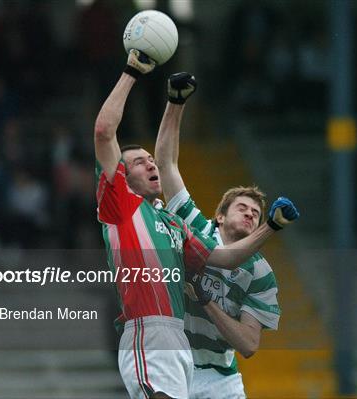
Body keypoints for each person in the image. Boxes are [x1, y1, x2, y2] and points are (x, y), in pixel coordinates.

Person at [94, 49, 299, 399]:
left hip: (192, 353)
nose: (150, 162)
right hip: (151, 332)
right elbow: (107, 133)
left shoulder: (174, 226)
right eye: (139, 161)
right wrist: (136, 74)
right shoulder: (122, 205)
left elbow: (226, 259)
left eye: (257, 212)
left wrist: (273, 227)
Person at [155, 73, 285, 398]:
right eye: (243, 207)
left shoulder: (261, 273)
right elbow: (166, 164)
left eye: (256, 214)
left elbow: (248, 345)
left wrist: (205, 300)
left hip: (219, 378)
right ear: (221, 215)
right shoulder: (195, 227)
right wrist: (176, 102)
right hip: (173, 365)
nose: (250, 214)